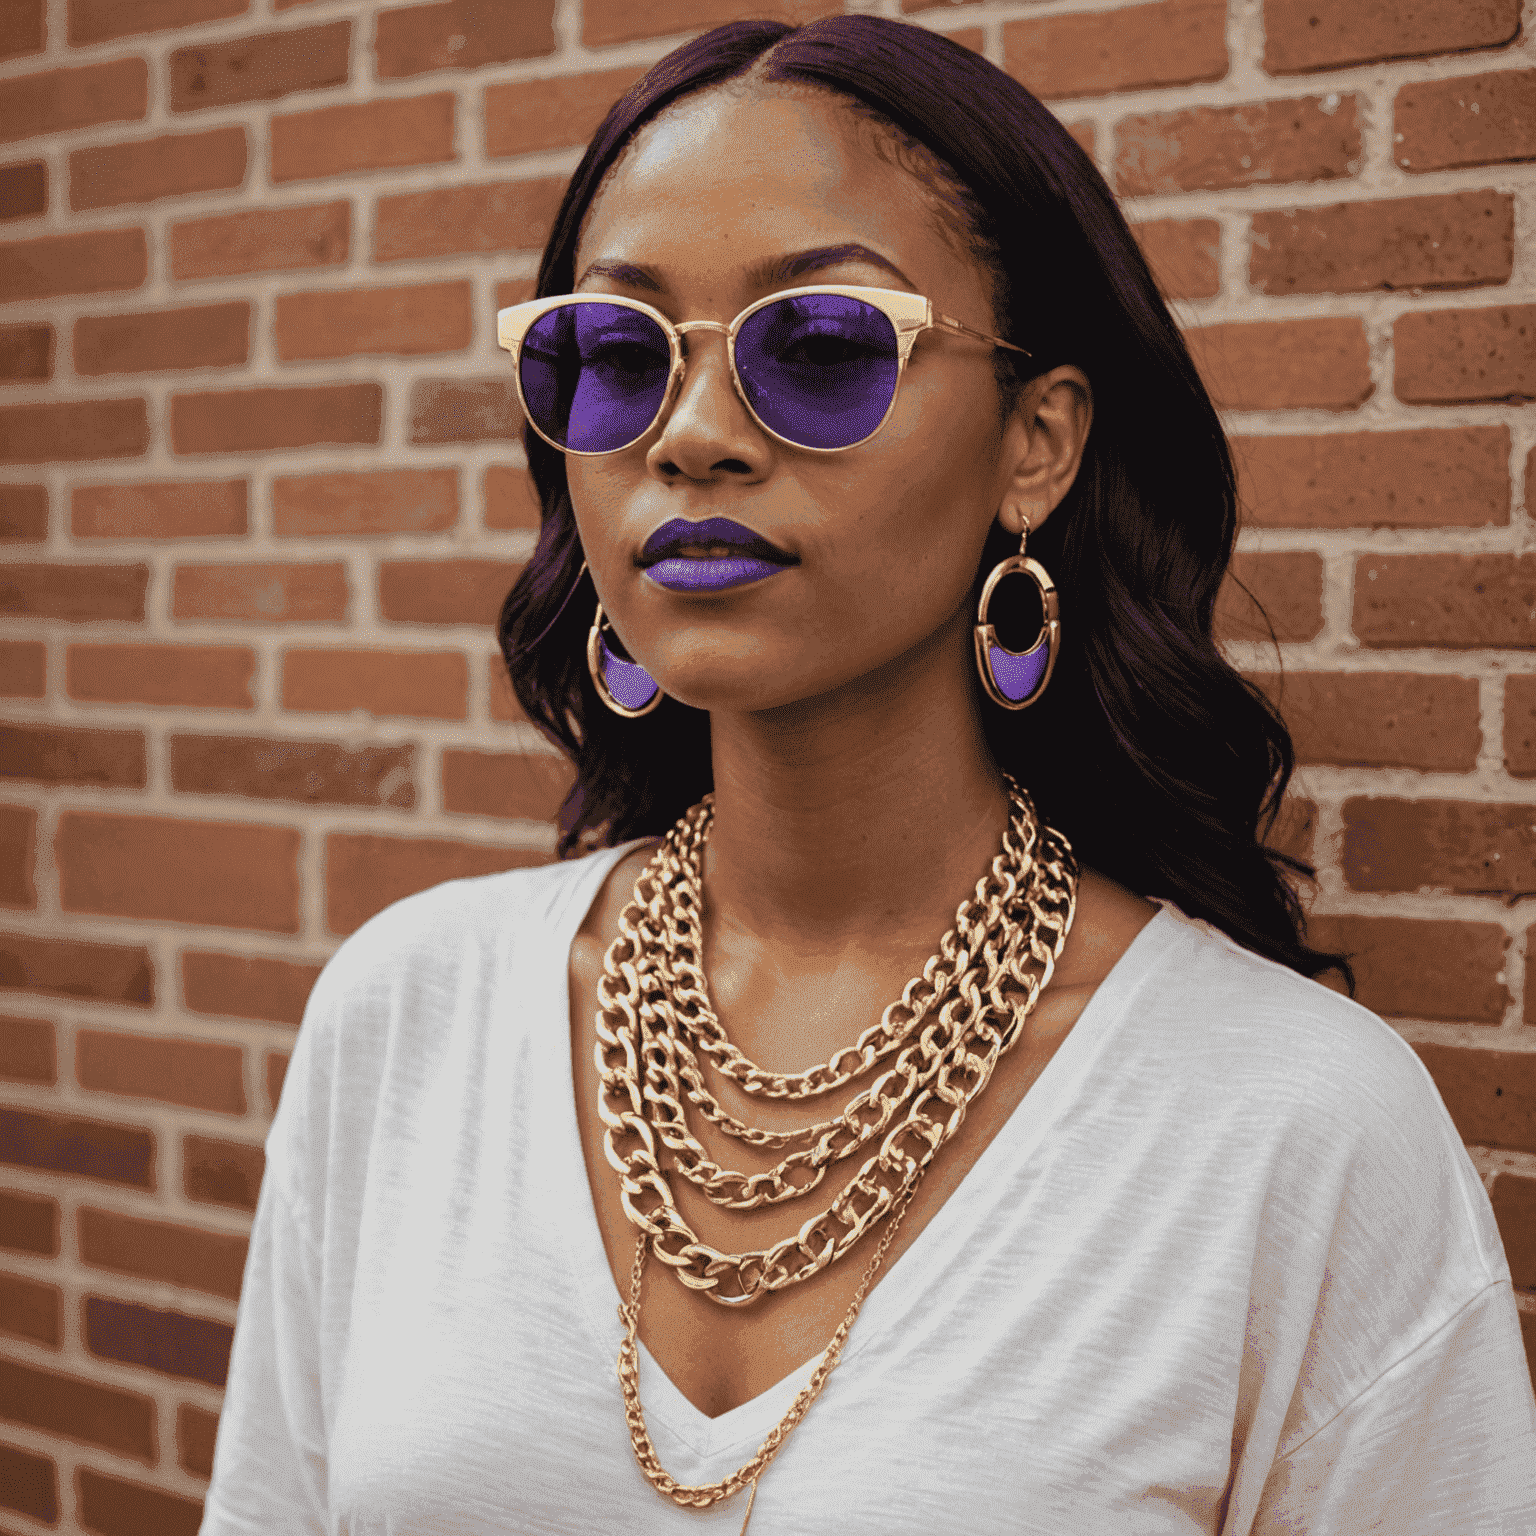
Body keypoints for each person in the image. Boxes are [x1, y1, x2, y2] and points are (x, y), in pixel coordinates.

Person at [199, 16, 1536, 1534]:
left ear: (1038, 444)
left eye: (820, 347)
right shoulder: (404, 1018)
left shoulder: (1298, 1131)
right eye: (616, 356)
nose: (693, 437)